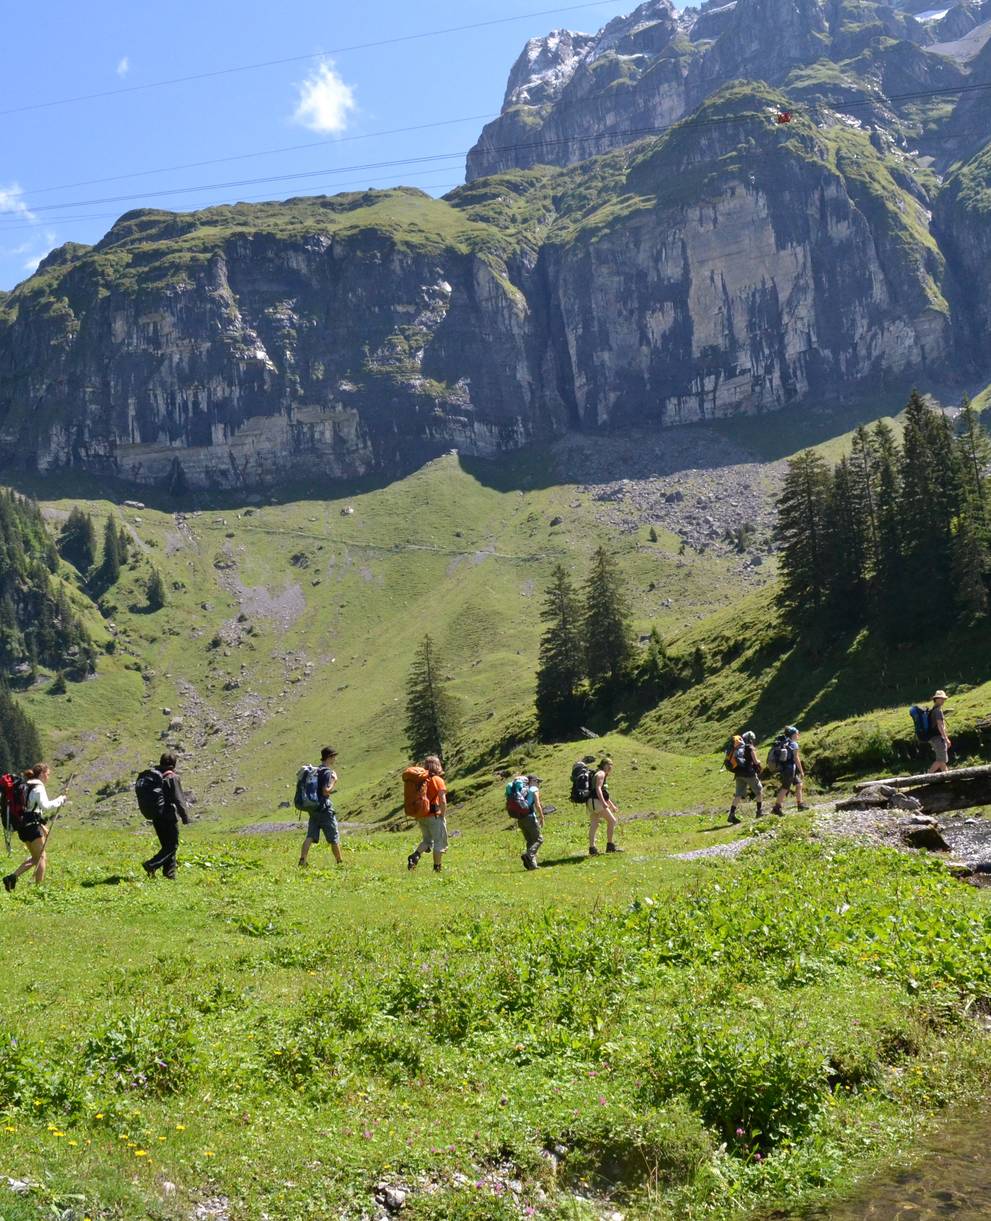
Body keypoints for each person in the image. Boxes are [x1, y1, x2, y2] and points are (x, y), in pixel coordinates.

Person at [3, 763, 67, 892]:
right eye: (48, 774)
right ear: (42, 774)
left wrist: (42, 825)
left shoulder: (25, 784)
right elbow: (45, 806)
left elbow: (31, 809)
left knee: (35, 858)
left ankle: (12, 878)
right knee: (42, 857)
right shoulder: (38, 786)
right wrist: (61, 799)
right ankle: (39, 890)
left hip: (22, 826)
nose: (48, 777)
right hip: (32, 827)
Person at [142, 753, 189, 879]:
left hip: (156, 816)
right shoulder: (172, 777)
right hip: (168, 816)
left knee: (167, 846)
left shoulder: (154, 776)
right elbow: (179, 799)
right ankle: (151, 864)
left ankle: (169, 874)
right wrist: (185, 817)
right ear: (173, 764)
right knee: (172, 845)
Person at [298, 747, 342, 867]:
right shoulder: (328, 772)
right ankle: (340, 863)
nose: (335, 759)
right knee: (334, 837)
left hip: (313, 809)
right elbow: (325, 791)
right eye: (334, 756)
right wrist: (334, 780)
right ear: (330, 757)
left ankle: (302, 860)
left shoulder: (317, 770)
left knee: (310, 836)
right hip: (324, 809)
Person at [407, 754, 448, 873]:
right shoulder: (438, 780)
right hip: (434, 816)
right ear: (438, 766)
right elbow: (443, 801)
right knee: (438, 842)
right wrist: (442, 814)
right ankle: (437, 868)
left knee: (427, 841)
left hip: (421, 815)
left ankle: (414, 856)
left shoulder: (421, 781)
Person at [728, 731, 763, 825]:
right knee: (759, 791)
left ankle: (731, 814)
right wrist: (759, 762)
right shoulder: (750, 747)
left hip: (738, 774)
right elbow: (755, 762)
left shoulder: (737, 748)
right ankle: (759, 812)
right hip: (749, 773)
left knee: (738, 795)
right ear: (751, 739)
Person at [771, 727, 807, 816]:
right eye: (797, 733)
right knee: (785, 788)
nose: (798, 735)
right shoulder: (793, 744)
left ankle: (800, 805)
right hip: (790, 769)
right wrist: (802, 771)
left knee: (799, 784)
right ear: (793, 734)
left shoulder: (786, 743)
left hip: (788, 769)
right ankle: (777, 808)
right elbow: (796, 758)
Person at [588, 758, 620, 856]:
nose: (610, 767)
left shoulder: (597, 773)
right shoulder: (601, 774)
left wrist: (612, 805)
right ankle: (610, 846)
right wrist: (603, 803)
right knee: (612, 821)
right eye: (608, 764)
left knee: (594, 824)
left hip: (591, 802)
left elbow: (603, 793)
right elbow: (598, 789)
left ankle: (592, 848)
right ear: (603, 765)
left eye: (611, 765)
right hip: (597, 802)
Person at [517, 774, 545, 871]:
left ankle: (532, 865)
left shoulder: (522, 790)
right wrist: (542, 817)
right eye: (537, 781)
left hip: (520, 819)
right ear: (532, 781)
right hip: (529, 818)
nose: (538, 784)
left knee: (530, 841)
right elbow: (537, 804)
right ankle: (528, 855)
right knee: (539, 839)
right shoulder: (533, 789)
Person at [928, 690, 952, 773]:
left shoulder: (933, 710)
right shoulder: (938, 710)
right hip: (938, 738)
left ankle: (948, 777)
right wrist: (946, 739)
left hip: (934, 738)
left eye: (944, 699)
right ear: (936, 699)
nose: (943, 700)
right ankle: (927, 776)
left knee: (942, 760)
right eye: (941, 698)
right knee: (941, 760)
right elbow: (940, 725)